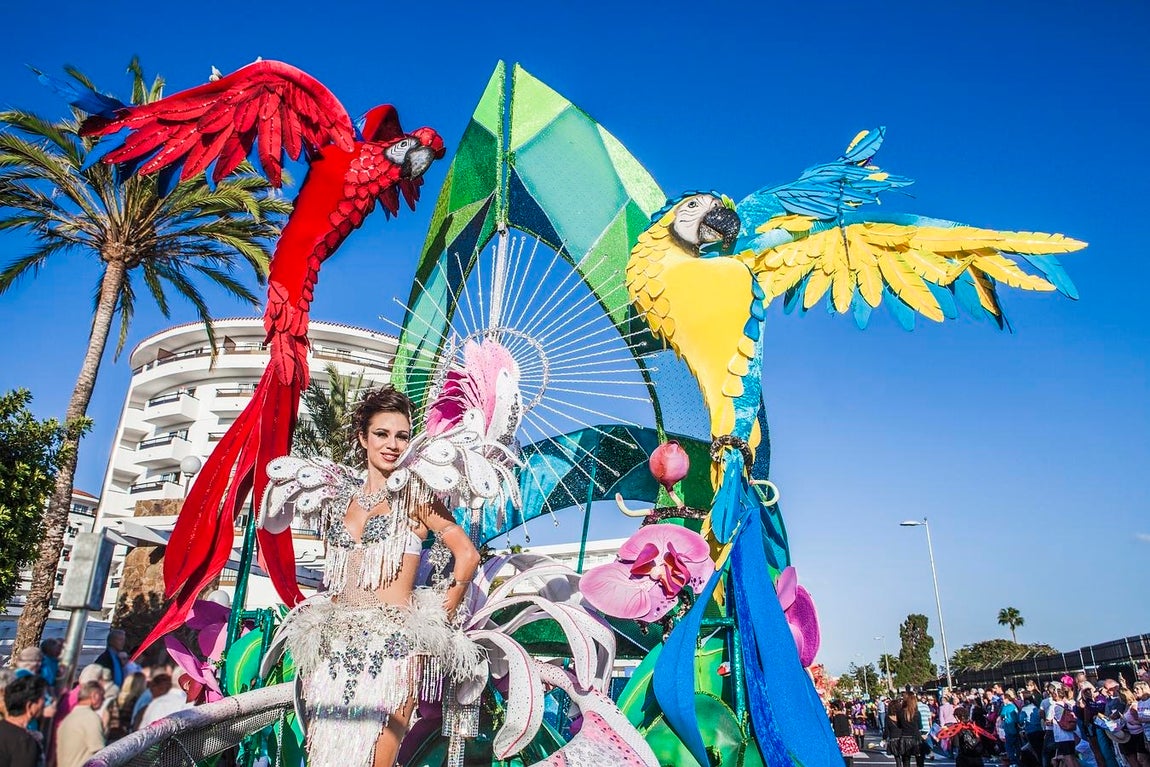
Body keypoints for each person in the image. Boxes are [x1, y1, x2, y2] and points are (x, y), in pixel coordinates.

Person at [271, 387, 483, 767]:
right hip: (334, 648)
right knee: (324, 754)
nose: (392, 444)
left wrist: (440, 616)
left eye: (402, 436)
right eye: (382, 434)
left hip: (393, 650)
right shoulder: (341, 501)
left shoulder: (416, 496)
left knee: (375, 760)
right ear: (362, 438)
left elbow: (467, 554)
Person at [56, 681, 106, 767]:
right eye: (102, 696)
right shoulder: (91, 717)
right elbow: (99, 753)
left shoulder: (67, 719)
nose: (103, 700)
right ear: (94, 696)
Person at [0, 676, 46, 767]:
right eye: (43, 699)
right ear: (29, 706)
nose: (45, 703)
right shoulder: (24, 743)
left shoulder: (3, 728)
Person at [887, 688, 926, 767]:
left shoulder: (900, 712)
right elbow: (920, 726)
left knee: (906, 761)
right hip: (916, 738)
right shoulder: (917, 713)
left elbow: (899, 725)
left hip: (904, 738)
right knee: (920, 760)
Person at [1049, 682, 1080, 767]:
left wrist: (1049, 721)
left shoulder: (1053, 707)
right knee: (1073, 757)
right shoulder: (1068, 705)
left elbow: (1048, 720)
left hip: (1061, 737)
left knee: (1067, 758)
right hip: (1071, 735)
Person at [832, 700, 860, 766]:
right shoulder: (845, 716)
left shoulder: (836, 717)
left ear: (835, 708)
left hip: (840, 739)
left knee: (841, 759)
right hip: (847, 739)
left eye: (832, 708)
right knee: (848, 759)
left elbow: (836, 730)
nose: (832, 710)